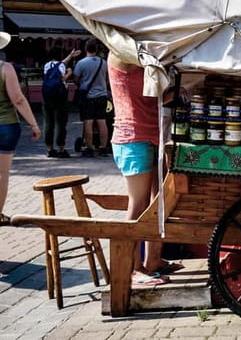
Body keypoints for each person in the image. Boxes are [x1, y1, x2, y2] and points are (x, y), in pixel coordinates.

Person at [108, 53, 182, 284]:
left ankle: (153, 260)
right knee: (138, 204)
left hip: (154, 133)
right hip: (132, 137)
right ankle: (131, 269)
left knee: (157, 201)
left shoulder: (139, 51)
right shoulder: (121, 52)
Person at [0, 31, 42, 226]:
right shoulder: (5, 68)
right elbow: (17, 98)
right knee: (1, 174)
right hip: (6, 126)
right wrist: (33, 123)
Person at [73, 39, 109, 157]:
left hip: (88, 97)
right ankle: (103, 148)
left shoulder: (81, 63)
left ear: (85, 49)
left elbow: (76, 79)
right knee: (102, 122)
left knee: (88, 122)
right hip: (102, 95)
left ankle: (89, 148)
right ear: (97, 50)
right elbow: (107, 79)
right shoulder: (104, 63)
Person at [42, 48, 80, 158]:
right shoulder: (62, 66)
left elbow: (61, 63)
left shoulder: (47, 65)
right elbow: (63, 78)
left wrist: (70, 55)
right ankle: (61, 148)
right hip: (60, 96)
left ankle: (50, 148)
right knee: (61, 122)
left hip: (47, 97)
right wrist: (69, 73)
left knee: (48, 122)